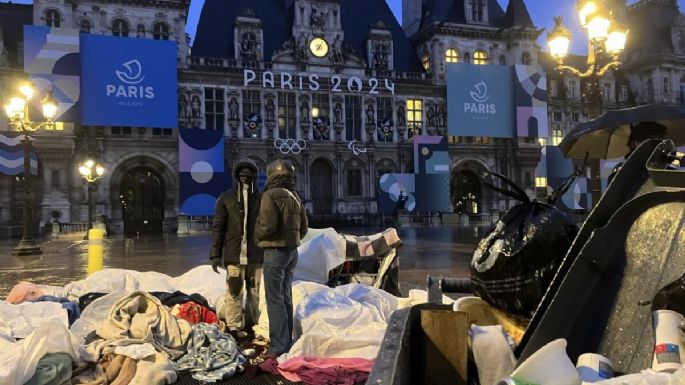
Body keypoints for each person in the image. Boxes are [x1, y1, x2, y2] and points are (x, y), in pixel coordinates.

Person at [254, 159, 308, 358]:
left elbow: (267, 226)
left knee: (274, 299)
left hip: (275, 252)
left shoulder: (270, 195)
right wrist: (291, 239)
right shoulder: (295, 196)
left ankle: (278, 346)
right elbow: (304, 228)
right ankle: (287, 340)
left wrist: (256, 236)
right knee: (285, 296)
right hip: (291, 252)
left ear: (271, 175)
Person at [210, 159, 263, 338]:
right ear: (236, 177)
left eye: (248, 177)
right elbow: (218, 227)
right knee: (234, 291)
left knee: (254, 292)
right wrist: (215, 254)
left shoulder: (262, 198)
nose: (245, 180)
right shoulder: (226, 198)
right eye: (242, 177)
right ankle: (234, 327)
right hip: (234, 254)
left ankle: (252, 323)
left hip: (256, 255)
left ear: (254, 178)